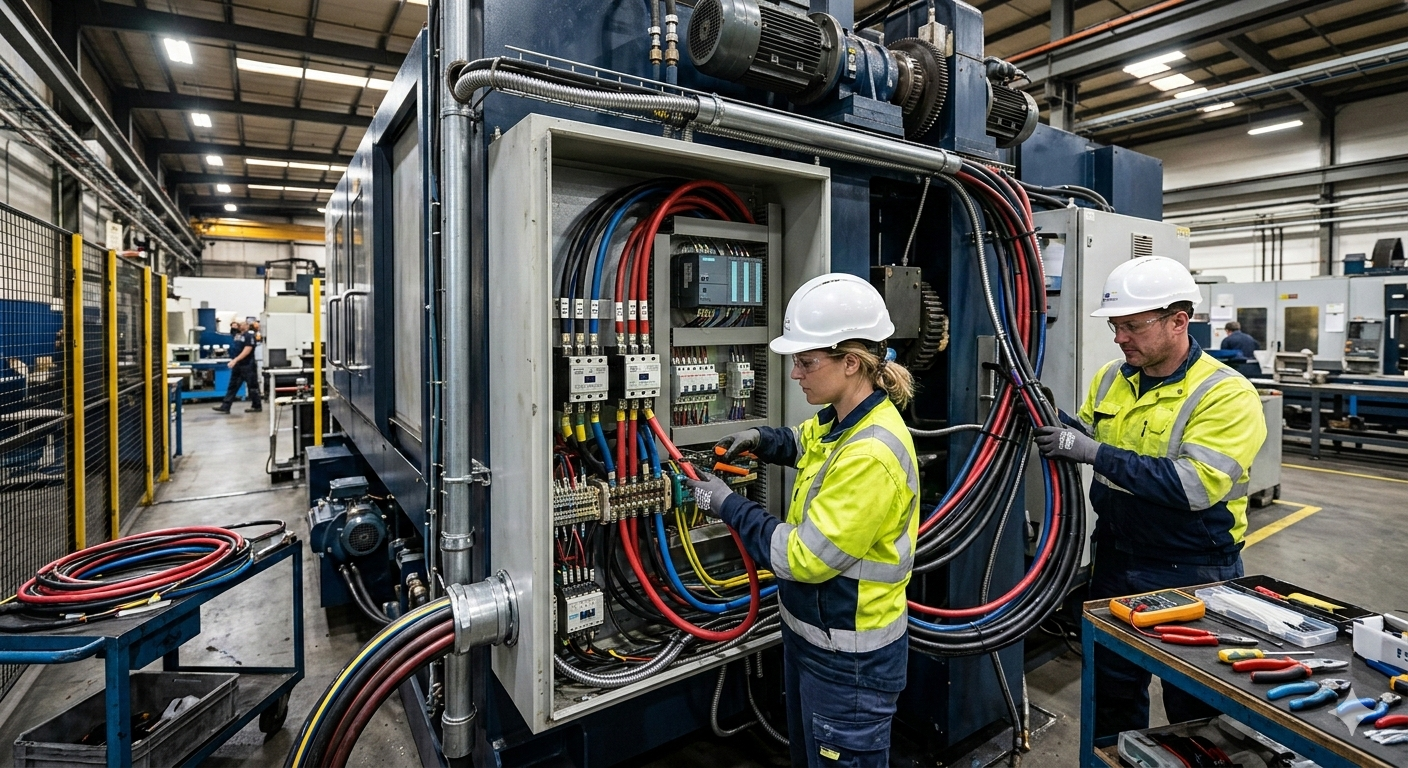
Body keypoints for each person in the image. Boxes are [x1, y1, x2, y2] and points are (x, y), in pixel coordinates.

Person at [683, 274, 919, 768]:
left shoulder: (872, 453)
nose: (795, 374)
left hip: (849, 663)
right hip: (814, 640)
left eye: (807, 362)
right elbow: (808, 440)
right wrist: (761, 439)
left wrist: (725, 503)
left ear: (851, 362)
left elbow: (802, 558)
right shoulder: (845, 416)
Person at [1033, 256, 1266, 738]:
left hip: (1193, 569)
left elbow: (1193, 486)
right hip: (1117, 557)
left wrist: (1092, 452)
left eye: (1132, 326)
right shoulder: (1110, 379)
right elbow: (1089, 436)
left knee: (1197, 702)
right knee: (1112, 690)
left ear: (1179, 321)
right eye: (1116, 326)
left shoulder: (1225, 394)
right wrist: (1052, 417)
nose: (1120, 337)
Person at [213, 320, 262, 413]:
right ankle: (225, 406)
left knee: (252, 386)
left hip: (248, 365)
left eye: (242, 324)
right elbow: (232, 330)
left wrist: (235, 360)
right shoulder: (238, 335)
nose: (240, 325)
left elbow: (247, 350)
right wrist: (233, 325)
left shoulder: (249, 336)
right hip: (238, 366)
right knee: (232, 386)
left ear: (247, 326)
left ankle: (256, 406)